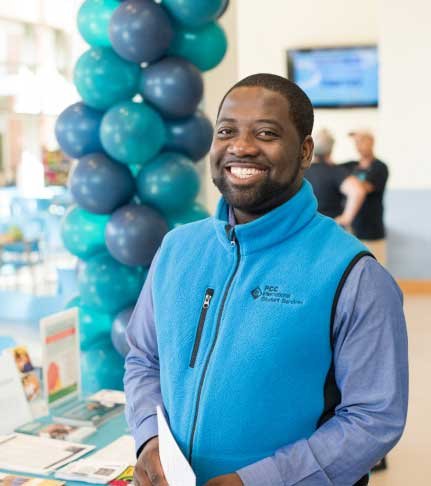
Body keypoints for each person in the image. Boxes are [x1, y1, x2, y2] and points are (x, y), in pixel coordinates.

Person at [125, 74, 408, 486]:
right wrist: (149, 439)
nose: (241, 146)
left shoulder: (355, 275)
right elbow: (143, 359)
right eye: (226, 131)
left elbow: (374, 417)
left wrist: (259, 480)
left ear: (305, 151)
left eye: (266, 133)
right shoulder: (176, 249)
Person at [342, 130, 389, 264]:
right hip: (351, 231)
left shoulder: (380, 167)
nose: (358, 145)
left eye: (362, 141)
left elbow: (363, 188)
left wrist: (347, 182)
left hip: (372, 231)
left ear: (372, 142)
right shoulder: (350, 166)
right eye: (356, 142)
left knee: (378, 269)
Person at [305, 128, 366, 226]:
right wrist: (345, 218)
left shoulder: (302, 171)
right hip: (330, 229)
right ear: (331, 148)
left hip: (307, 228)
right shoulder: (336, 171)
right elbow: (357, 191)